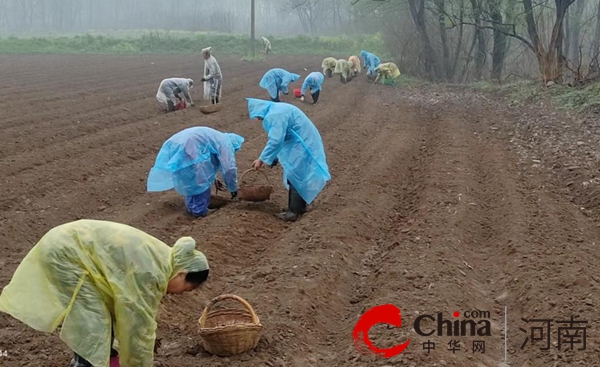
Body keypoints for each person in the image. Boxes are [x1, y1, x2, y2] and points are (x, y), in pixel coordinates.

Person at [0, 219, 210, 367]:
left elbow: (124, 310)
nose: (179, 293)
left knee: (101, 319)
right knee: (93, 323)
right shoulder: (151, 272)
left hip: (68, 246)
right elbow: (138, 326)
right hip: (65, 253)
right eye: (187, 288)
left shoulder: (162, 259)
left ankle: (104, 360)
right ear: (182, 274)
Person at [246, 98, 331, 222]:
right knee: (298, 176)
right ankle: (299, 208)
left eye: (258, 116)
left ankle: (293, 212)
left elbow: (276, 140)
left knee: (295, 176)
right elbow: (281, 136)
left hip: (302, 145)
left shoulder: (275, 114)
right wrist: (273, 157)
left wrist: (261, 159)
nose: (259, 119)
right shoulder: (277, 109)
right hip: (302, 142)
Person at [147, 127, 244, 218]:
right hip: (190, 145)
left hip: (176, 142)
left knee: (189, 176)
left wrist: (214, 178)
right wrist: (233, 189)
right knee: (200, 179)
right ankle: (199, 211)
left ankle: (193, 206)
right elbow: (229, 169)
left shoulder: (217, 137)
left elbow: (210, 160)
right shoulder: (226, 144)